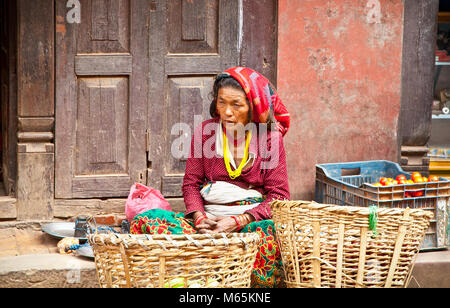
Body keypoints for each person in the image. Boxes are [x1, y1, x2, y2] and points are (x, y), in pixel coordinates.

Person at [130, 67, 290, 288]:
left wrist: (238, 221)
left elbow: (279, 197)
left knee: (270, 233)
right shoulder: (206, 132)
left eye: (237, 105)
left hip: (248, 228)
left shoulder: (270, 138)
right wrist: (199, 219)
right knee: (146, 220)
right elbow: (191, 184)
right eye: (222, 102)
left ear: (253, 108)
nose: (227, 112)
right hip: (208, 223)